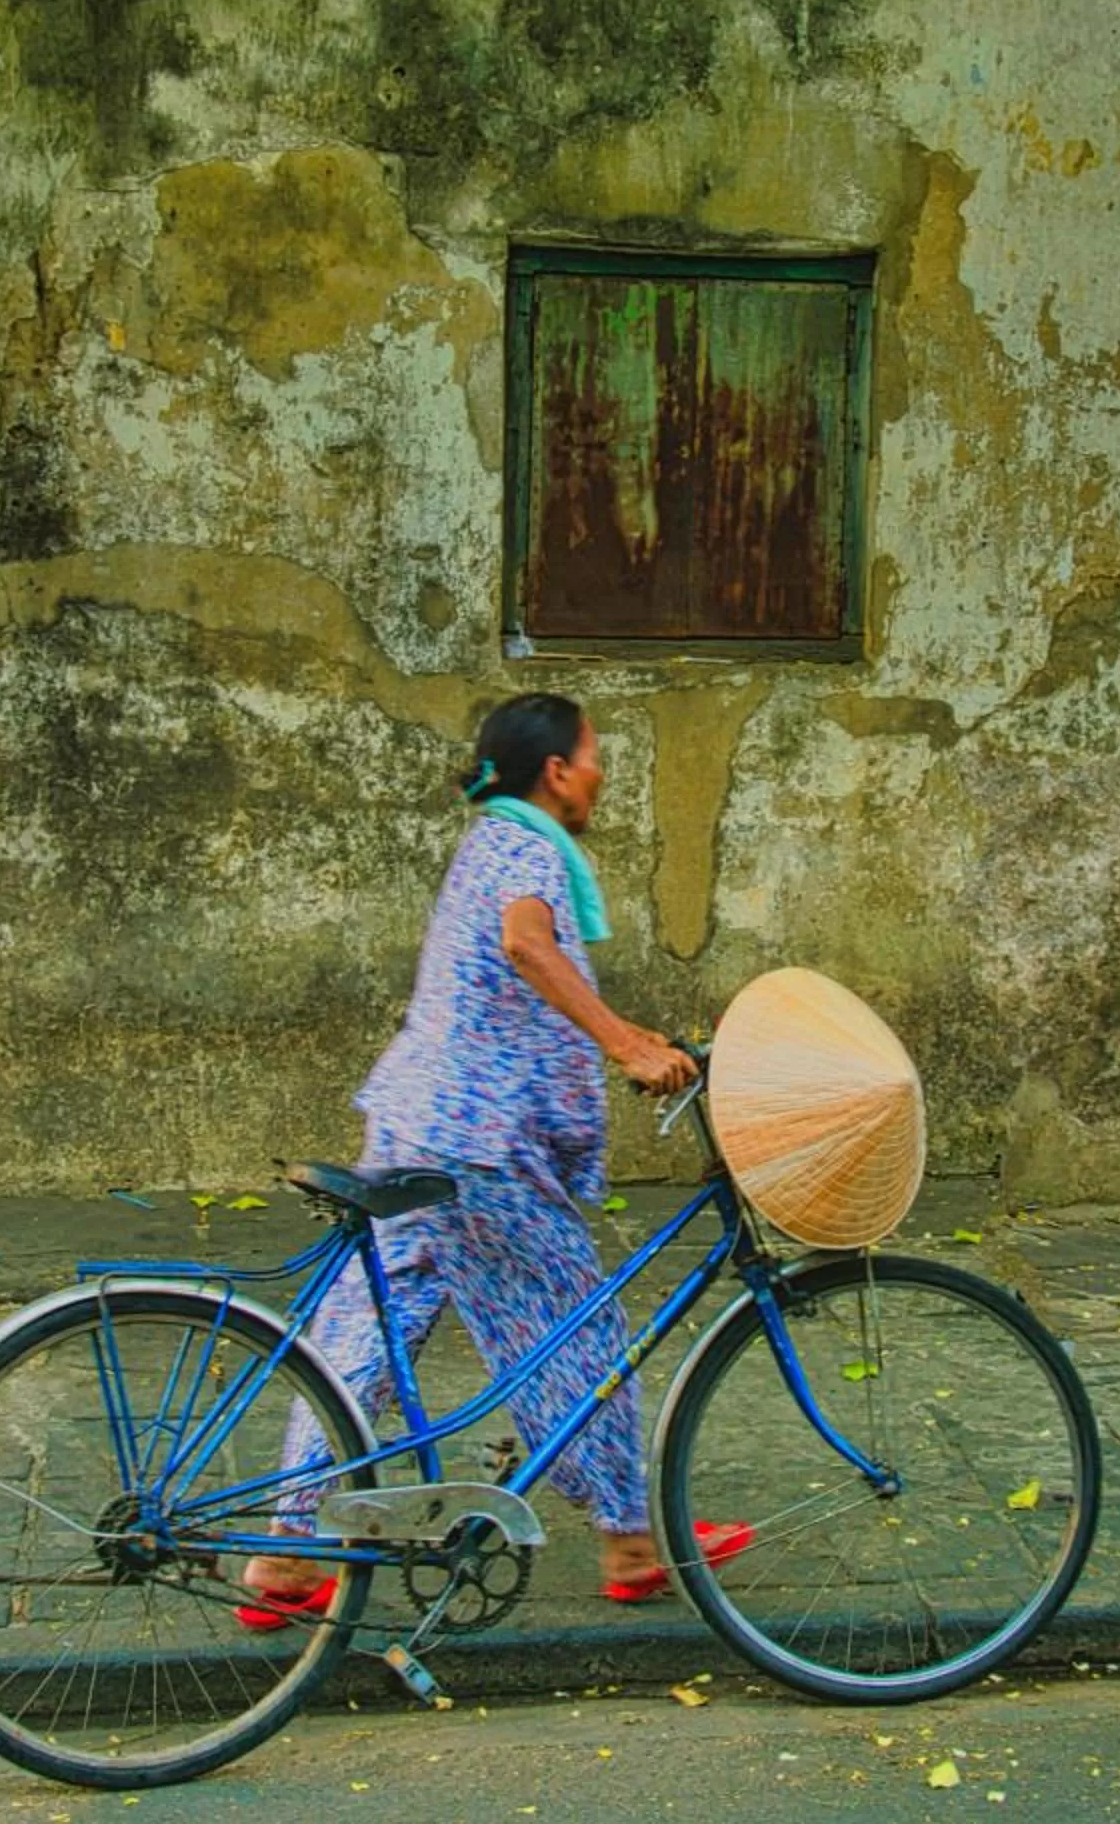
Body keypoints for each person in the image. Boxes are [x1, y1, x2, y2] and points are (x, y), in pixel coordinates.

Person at [238, 692, 743, 1624]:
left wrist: (630, 1031)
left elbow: (528, 961)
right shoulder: (525, 845)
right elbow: (525, 943)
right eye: (592, 757)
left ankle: (287, 1552)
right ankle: (632, 1538)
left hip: (416, 1124)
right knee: (570, 1326)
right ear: (555, 770)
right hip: (480, 1146)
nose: (599, 773)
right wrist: (625, 1048)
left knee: (363, 1340)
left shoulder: (490, 839)